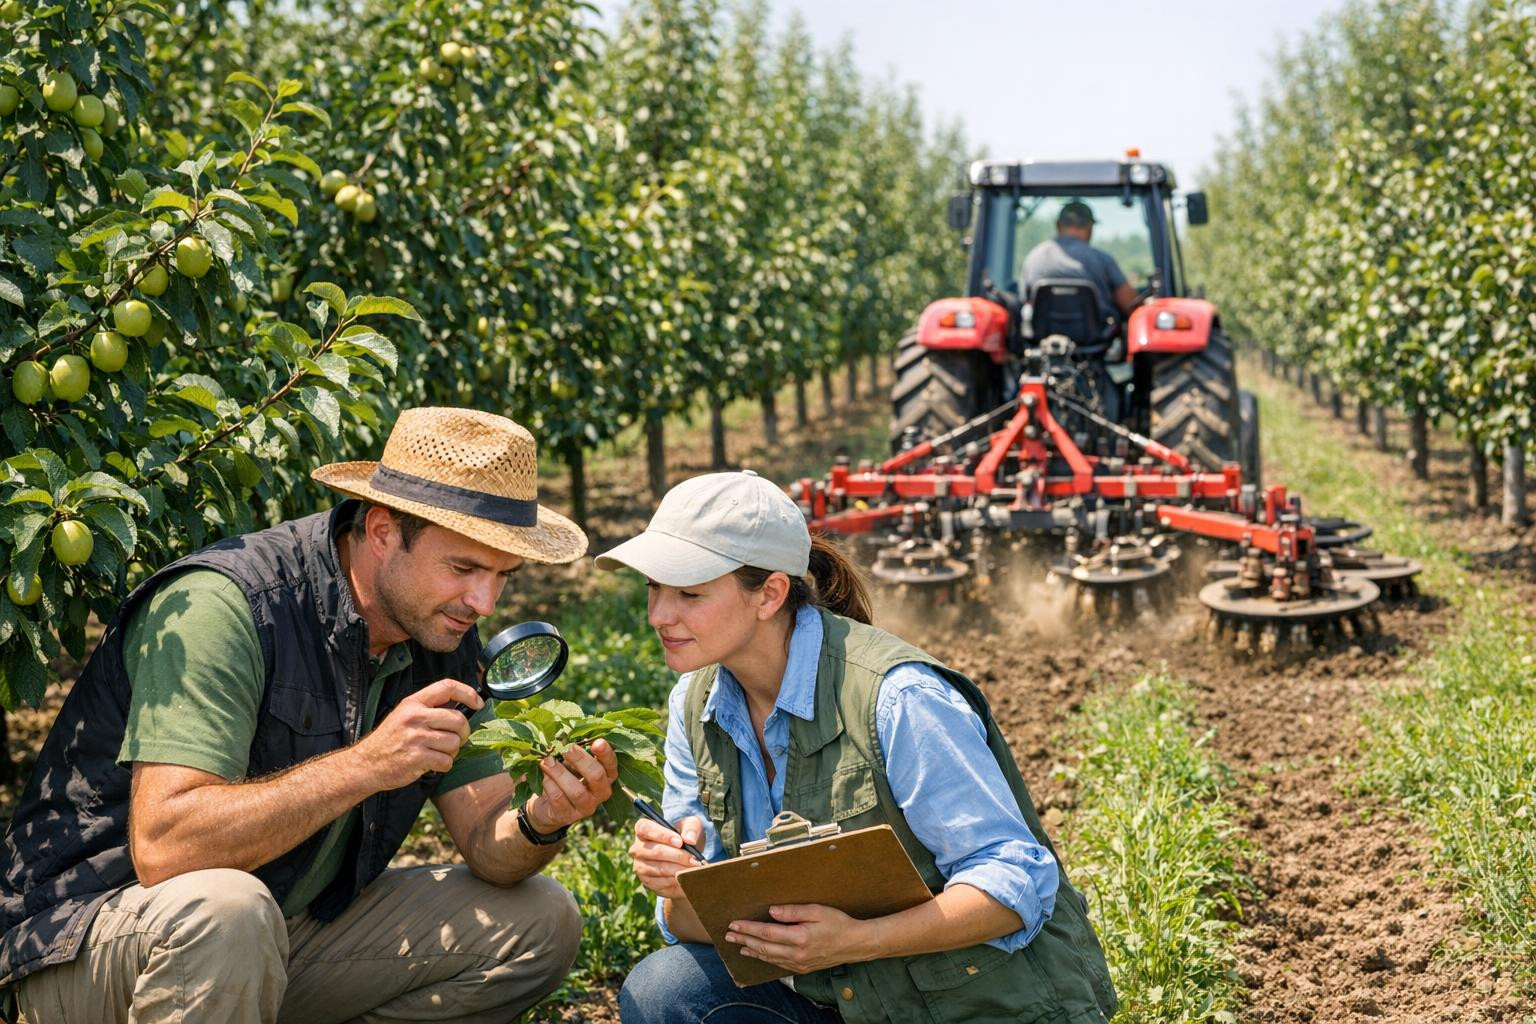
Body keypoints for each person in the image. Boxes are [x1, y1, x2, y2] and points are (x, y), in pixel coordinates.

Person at [0, 407, 620, 1024]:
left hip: (272, 936)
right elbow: (166, 848)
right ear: (381, 531)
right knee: (228, 912)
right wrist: (367, 765)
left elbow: (488, 842)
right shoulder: (225, 608)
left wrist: (543, 819)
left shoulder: (441, 632)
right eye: (463, 568)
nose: (483, 601)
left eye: (503, 576)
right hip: (92, 942)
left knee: (541, 920)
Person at [599, 470, 1117, 1024]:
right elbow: (693, 924)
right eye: (654, 588)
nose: (658, 615)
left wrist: (857, 940)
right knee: (665, 991)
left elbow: (1014, 880)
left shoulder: (898, 698)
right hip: (847, 1002)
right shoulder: (695, 706)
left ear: (770, 594)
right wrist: (678, 883)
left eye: (689, 594)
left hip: (976, 1003)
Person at [1020, 199, 1139, 326]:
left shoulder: (1034, 258)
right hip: (1098, 343)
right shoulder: (1103, 260)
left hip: (1042, 341)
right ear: (1089, 227)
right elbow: (1131, 306)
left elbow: (1024, 302)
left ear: (1058, 225)